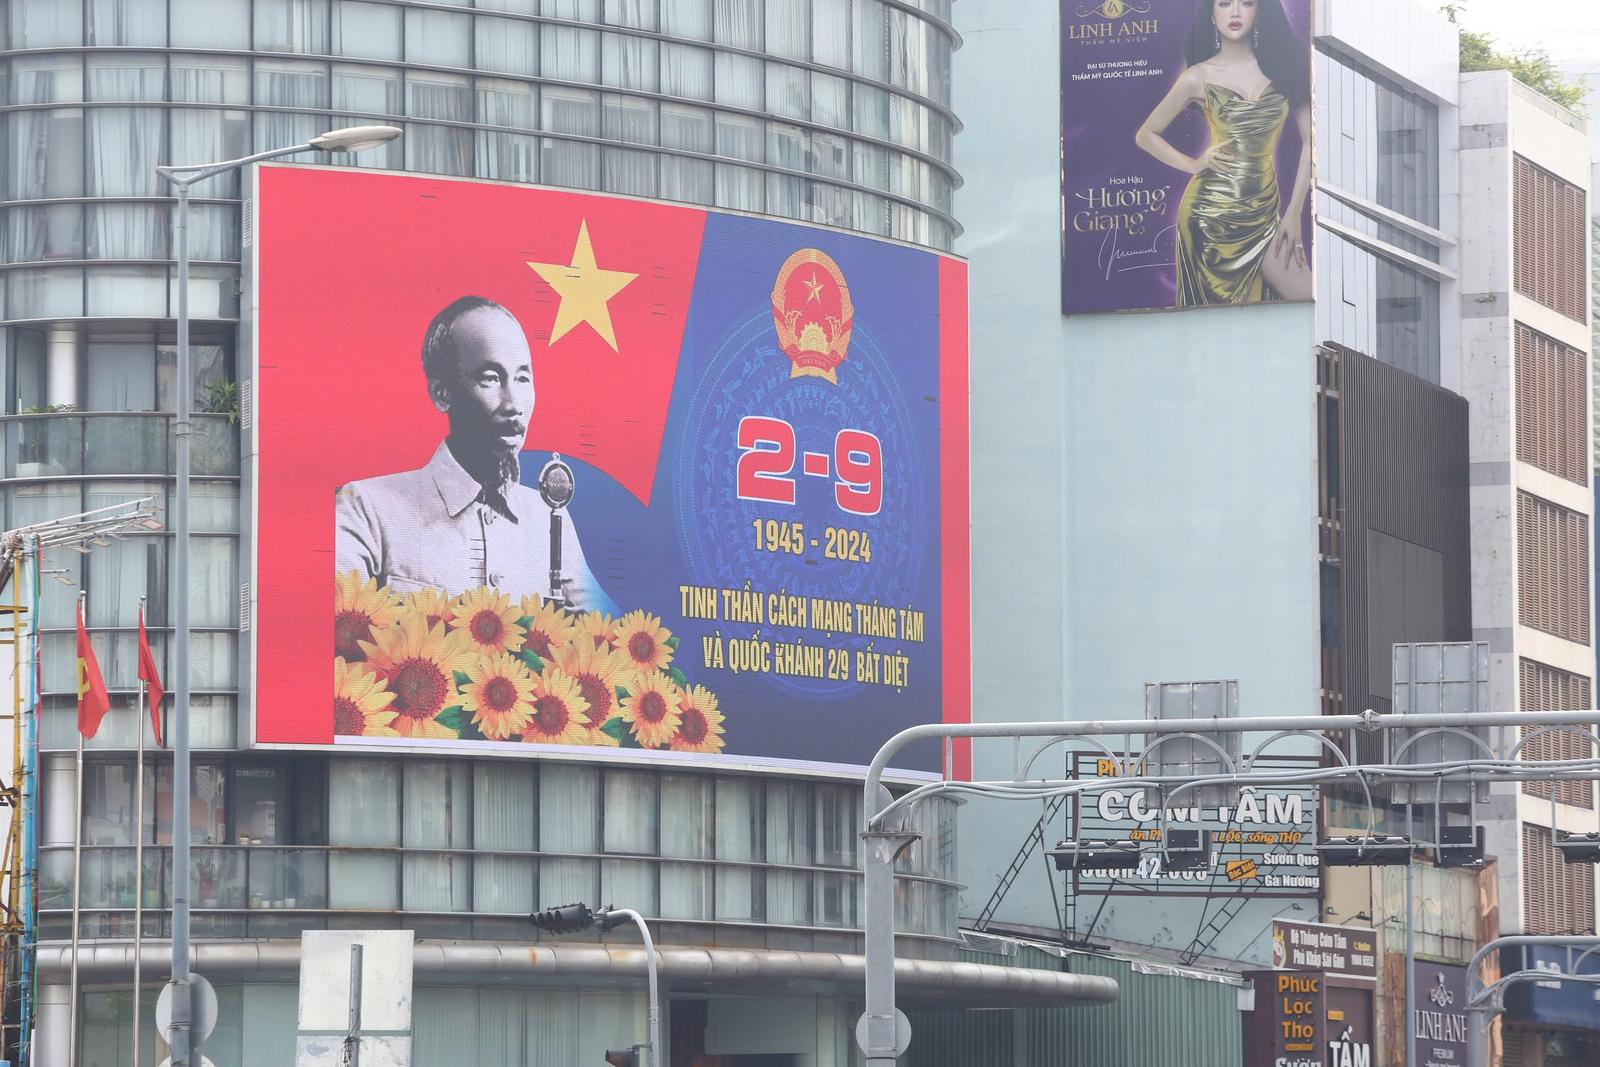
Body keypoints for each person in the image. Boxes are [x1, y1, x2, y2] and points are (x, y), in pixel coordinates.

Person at [335, 296, 606, 609]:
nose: (514, 404)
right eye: (490, 378)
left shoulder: (547, 519)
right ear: (442, 394)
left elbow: (612, 632)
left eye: (522, 378)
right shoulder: (366, 508)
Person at [1135, 0, 1312, 307]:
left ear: (1259, 11)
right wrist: (1193, 164)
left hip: (1264, 211)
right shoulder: (1197, 76)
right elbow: (1146, 135)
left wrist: (1294, 212)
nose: (1235, 12)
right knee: (1210, 323)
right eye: (1225, 3)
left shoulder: (1284, 70)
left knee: (1307, 295)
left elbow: (1311, 142)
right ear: (1211, 14)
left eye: (1246, 3)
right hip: (1208, 215)